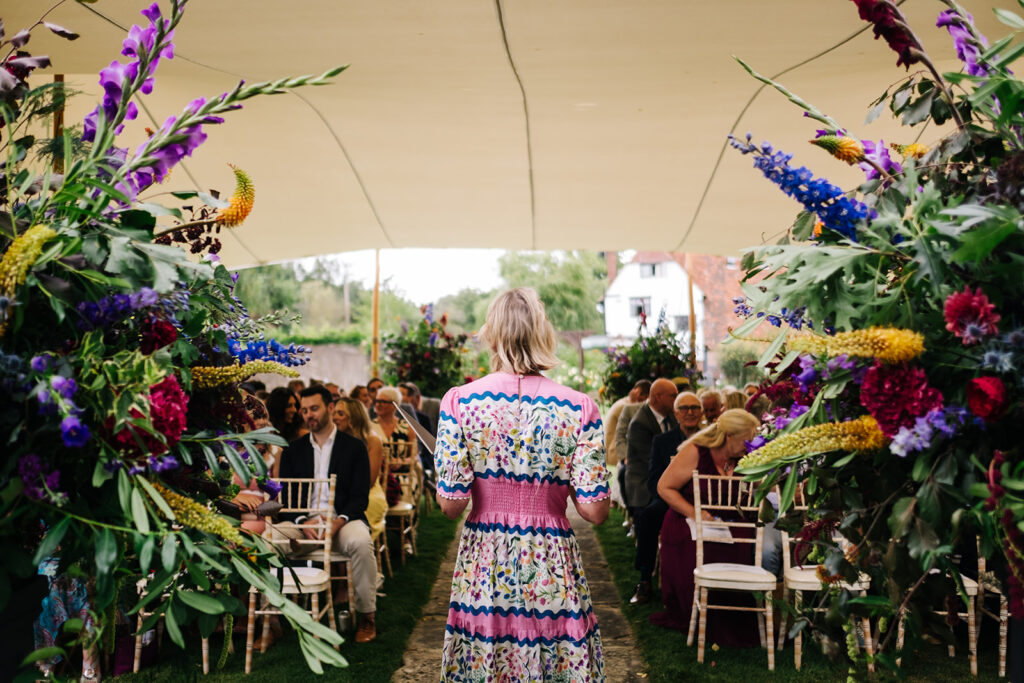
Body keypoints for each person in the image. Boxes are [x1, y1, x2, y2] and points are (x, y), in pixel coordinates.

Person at [434, 287, 609, 681]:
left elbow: (450, 505)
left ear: (492, 334)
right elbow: (595, 511)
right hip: (550, 560)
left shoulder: (460, 402)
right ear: (541, 335)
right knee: (554, 657)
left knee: (487, 660)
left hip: (486, 560)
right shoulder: (579, 407)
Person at [650, 409, 763, 647]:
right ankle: (697, 614)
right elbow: (664, 487)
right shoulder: (696, 452)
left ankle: (733, 614)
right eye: (747, 439)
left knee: (740, 539)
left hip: (728, 525)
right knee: (702, 547)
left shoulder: (745, 458)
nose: (750, 445)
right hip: (687, 520)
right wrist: (696, 513)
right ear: (729, 436)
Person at [277, 385, 378, 643]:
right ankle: (273, 618)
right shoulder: (292, 449)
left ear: (330, 408)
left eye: (314, 408)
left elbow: (359, 497)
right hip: (303, 523)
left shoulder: (354, 448)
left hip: (343, 520)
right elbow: (286, 496)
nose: (308, 415)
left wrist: (338, 521)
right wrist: (302, 521)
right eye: (304, 410)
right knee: (269, 540)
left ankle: (367, 616)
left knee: (361, 542)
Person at [631, 392, 704, 604]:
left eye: (695, 407)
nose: (690, 412)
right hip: (669, 497)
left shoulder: (708, 438)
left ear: (700, 413)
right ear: (676, 413)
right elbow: (654, 479)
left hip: (702, 498)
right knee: (647, 517)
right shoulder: (662, 441)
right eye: (684, 408)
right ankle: (645, 580)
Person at [623, 377, 678, 605]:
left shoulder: (673, 418)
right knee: (647, 519)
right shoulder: (640, 422)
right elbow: (651, 462)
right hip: (644, 483)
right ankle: (645, 579)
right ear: (657, 397)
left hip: (668, 481)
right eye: (673, 396)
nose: (676, 401)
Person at [334, 397, 388, 542]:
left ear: (354, 416)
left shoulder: (372, 440)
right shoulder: (335, 440)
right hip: (340, 491)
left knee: (357, 514)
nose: (334, 418)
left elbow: (369, 481)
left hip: (368, 493)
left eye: (340, 413)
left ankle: (352, 554)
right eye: (333, 413)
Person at [372, 386, 414, 470]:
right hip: (377, 477)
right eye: (377, 401)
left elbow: (414, 457)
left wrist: (401, 461)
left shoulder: (407, 427)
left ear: (395, 405)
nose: (378, 405)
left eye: (383, 402)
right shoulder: (369, 427)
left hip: (402, 477)